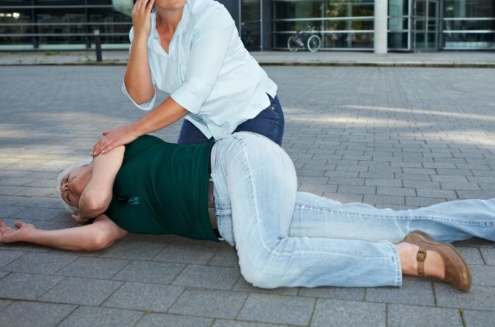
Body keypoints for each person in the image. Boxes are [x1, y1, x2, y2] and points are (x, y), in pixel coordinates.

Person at [1, 132, 494, 291]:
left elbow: (92, 202)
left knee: (262, 266)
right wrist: (31, 236)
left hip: (236, 164)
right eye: (63, 196)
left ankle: (404, 260)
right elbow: (94, 237)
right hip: (255, 205)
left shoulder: (112, 148)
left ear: (82, 163)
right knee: (388, 219)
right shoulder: (116, 220)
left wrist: (81, 203)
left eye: (66, 179)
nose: (69, 192)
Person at [91, 0, 284, 157]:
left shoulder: (210, 15)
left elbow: (195, 89)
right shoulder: (143, 31)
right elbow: (141, 97)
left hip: (251, 112)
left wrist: (133, 130)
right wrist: (139, 37)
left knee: (242, 186)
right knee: (182, 185)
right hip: (203, 122)